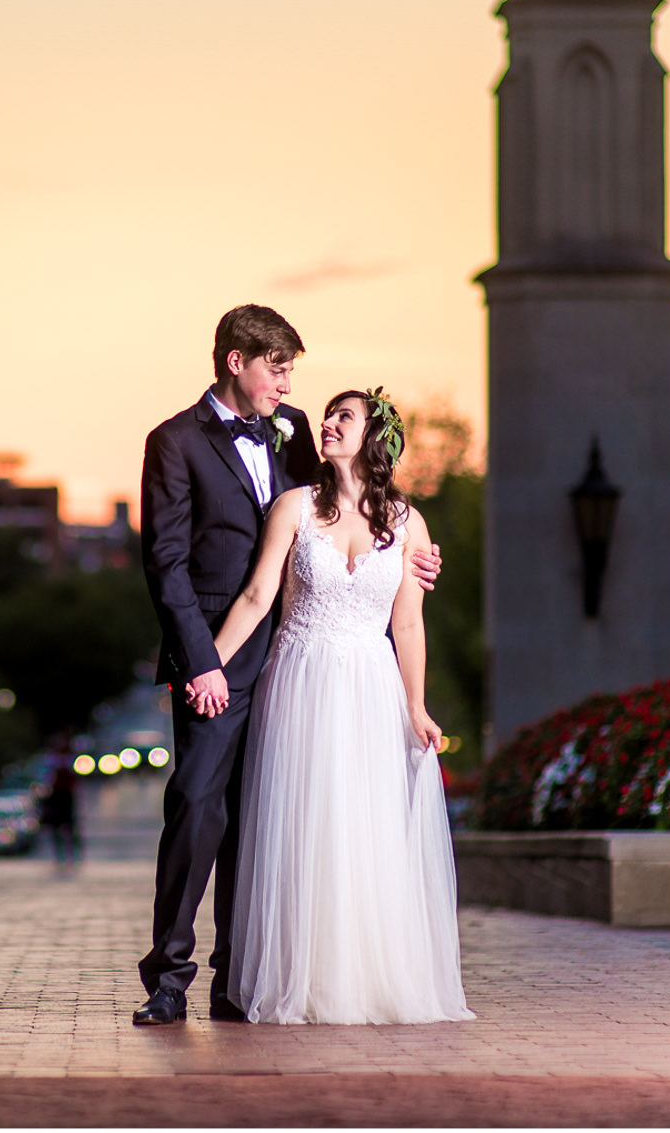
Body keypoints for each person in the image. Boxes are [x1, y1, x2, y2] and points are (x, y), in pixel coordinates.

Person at [131, 307, 439, 1027]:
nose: (290, 382)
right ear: (237, 362)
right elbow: (166, 563)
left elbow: (347, 510)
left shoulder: (298, 428)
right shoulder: (174, 442)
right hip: (223, 657)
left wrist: (415, 557)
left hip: (306, 656)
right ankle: (169, 975)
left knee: (270, 818)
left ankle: (241, 978)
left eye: (294, 369)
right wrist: (200, 661)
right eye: (278, 367)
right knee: (199, 804)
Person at [202, 388, 472, 1025]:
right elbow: (257, 595)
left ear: (374, 436)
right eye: (327, 414)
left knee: (364, 829)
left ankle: (364, 979)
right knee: (304, 825)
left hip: (373, 686)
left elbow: (407, 625)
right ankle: (305, 977)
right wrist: (206, 663)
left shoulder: (409, 524)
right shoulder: (293, 507)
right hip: (300, 683)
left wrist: (417, 705)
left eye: (343, 416)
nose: (326, 423)